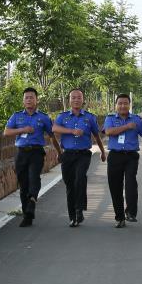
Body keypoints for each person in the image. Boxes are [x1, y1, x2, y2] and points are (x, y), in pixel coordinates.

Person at [3, 87, 61, 227]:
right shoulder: (16, 116)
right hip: (21, 153)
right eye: (26, 98)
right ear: (23, 101)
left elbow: (52, 136)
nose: (29, 100)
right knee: (23, 184)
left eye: (31, 97)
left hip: (36, 152)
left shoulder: (43, 117)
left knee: (34, 177)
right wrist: (22, 129)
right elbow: (7, 132)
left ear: (36, 100)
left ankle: (33, 199)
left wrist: (59, 151)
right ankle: (27, 214)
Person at [102, 94, 142, 228]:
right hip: (115, 156)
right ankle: (119, 217)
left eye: (125, 103)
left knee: (131, 183)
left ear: (129, 105)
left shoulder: (137, 120)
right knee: (115, 187)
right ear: (116, 105)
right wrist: (127, 127)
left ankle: (131, 212)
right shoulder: (110, 118)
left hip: (131, 157)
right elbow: (109, 132)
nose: (123, 106)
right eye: (120, 103)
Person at [53, 88, 107, 227]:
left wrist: (102, 151)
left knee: (80, 178)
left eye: (79, 97)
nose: (76, 100)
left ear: (83, 100)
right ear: (69, 100)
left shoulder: (89, 117)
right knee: (69, 184)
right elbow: (54, 129)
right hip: (68, 155)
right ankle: (73, 216)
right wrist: (71, 131)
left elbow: (96, 135)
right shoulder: (63, 116)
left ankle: (79, 209)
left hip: (83, 154)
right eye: (73, 97)